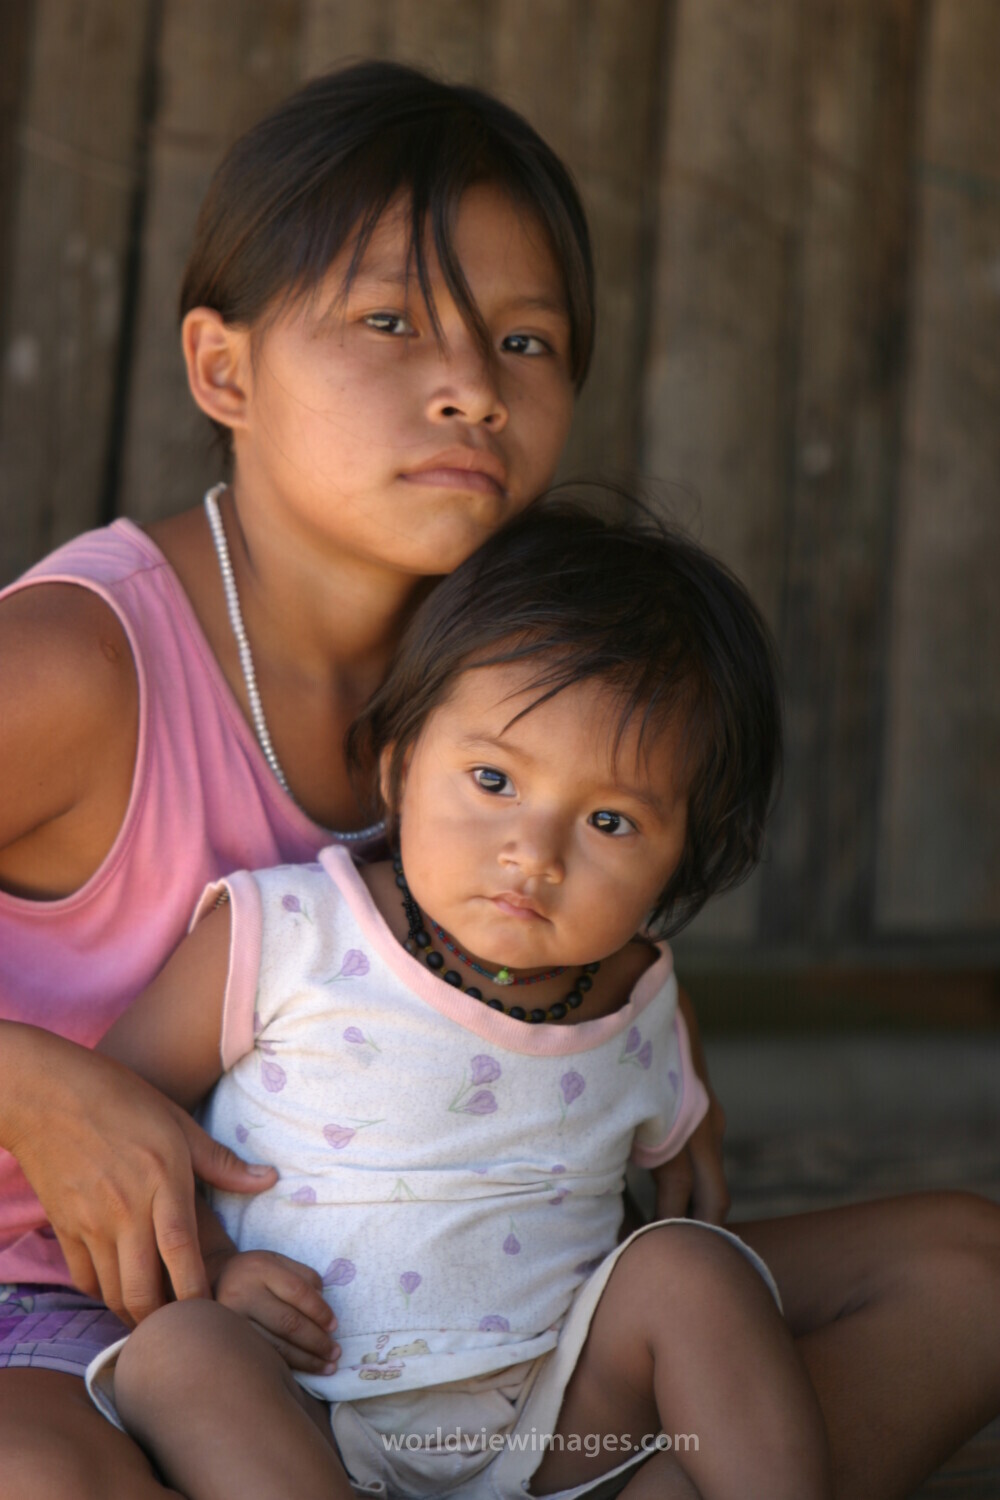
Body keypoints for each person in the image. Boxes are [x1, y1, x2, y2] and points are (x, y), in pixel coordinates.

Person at [0, 59, 996, 1500]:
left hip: (467, 1319)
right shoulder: (83, 666)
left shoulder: (521, 655)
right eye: (392, 322)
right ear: (224, 368)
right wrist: (32, 1086)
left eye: (527, 344)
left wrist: (629, 993)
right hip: (66, 1317)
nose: (471, 385)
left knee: (966, 1274)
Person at [87, 504, 832, 1500]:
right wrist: (217, 1263)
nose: (535, 853)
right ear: (397, 763)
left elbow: (675, 1202)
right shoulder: (290, 930)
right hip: (302, 1404)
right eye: (493, 779)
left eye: (610, 820)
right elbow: (116, 1113)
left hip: (547, 1418)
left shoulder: (642, 1002)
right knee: (179, 1354)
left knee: (696, 1268)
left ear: (675, 864)